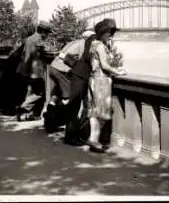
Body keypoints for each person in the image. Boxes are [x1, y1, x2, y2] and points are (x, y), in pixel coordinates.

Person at [63, 19, 113, 146]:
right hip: (81, 76)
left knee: (87, 108)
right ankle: (70, 137)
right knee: (75, 106)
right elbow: (87, 57)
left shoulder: (94, 41)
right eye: (109, 33)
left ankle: (81, 135)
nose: (110, 36)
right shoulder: (95, 42)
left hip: (84, 76)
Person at [42, 30, 95, 132]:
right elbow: (79, 61)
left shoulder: (73, 42)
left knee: (56, 95)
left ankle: (49, 121)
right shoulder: (83, 45)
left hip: (53, 67)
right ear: (88, 38)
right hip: (61, 71)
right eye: (93, 38)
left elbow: (61, 54)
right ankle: (57, 121)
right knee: (69, 97)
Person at [86, 19, 126, 153]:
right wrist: (117, 71)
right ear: (103, 33)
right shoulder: (101, 46)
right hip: (101, 81)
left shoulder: (93, 44)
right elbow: (105, 65)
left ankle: (93, 139)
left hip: (93, 79)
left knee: (94, 112)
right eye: (110, 32)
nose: (111, 35)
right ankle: (94, 140)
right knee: (102, 112)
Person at [16, 21, 53, 121]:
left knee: (35, 91)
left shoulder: (29, 39)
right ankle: (23, 108)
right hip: (37, 71)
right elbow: (45, 54)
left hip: (28, 69)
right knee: (40, 93)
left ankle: (34, 114)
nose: (48, 36)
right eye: (48, 33)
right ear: (43, 32)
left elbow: (25, 55)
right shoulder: (38, 41)